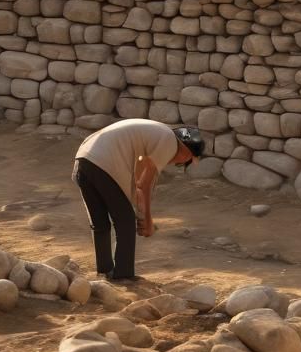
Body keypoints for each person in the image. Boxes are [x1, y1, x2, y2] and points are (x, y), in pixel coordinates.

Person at [72, 120, 205, 281]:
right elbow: (144, 185)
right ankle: (123, 277)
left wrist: (140, 214)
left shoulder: (154, 135)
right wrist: (147, 220)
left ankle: (104, 272)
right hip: (103, 163)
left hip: (83, 160)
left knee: (100, 223)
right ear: (186, 150)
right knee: (125, 223)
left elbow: (136, 184)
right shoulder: (170, 142)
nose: (179, 163)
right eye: (186, 161)